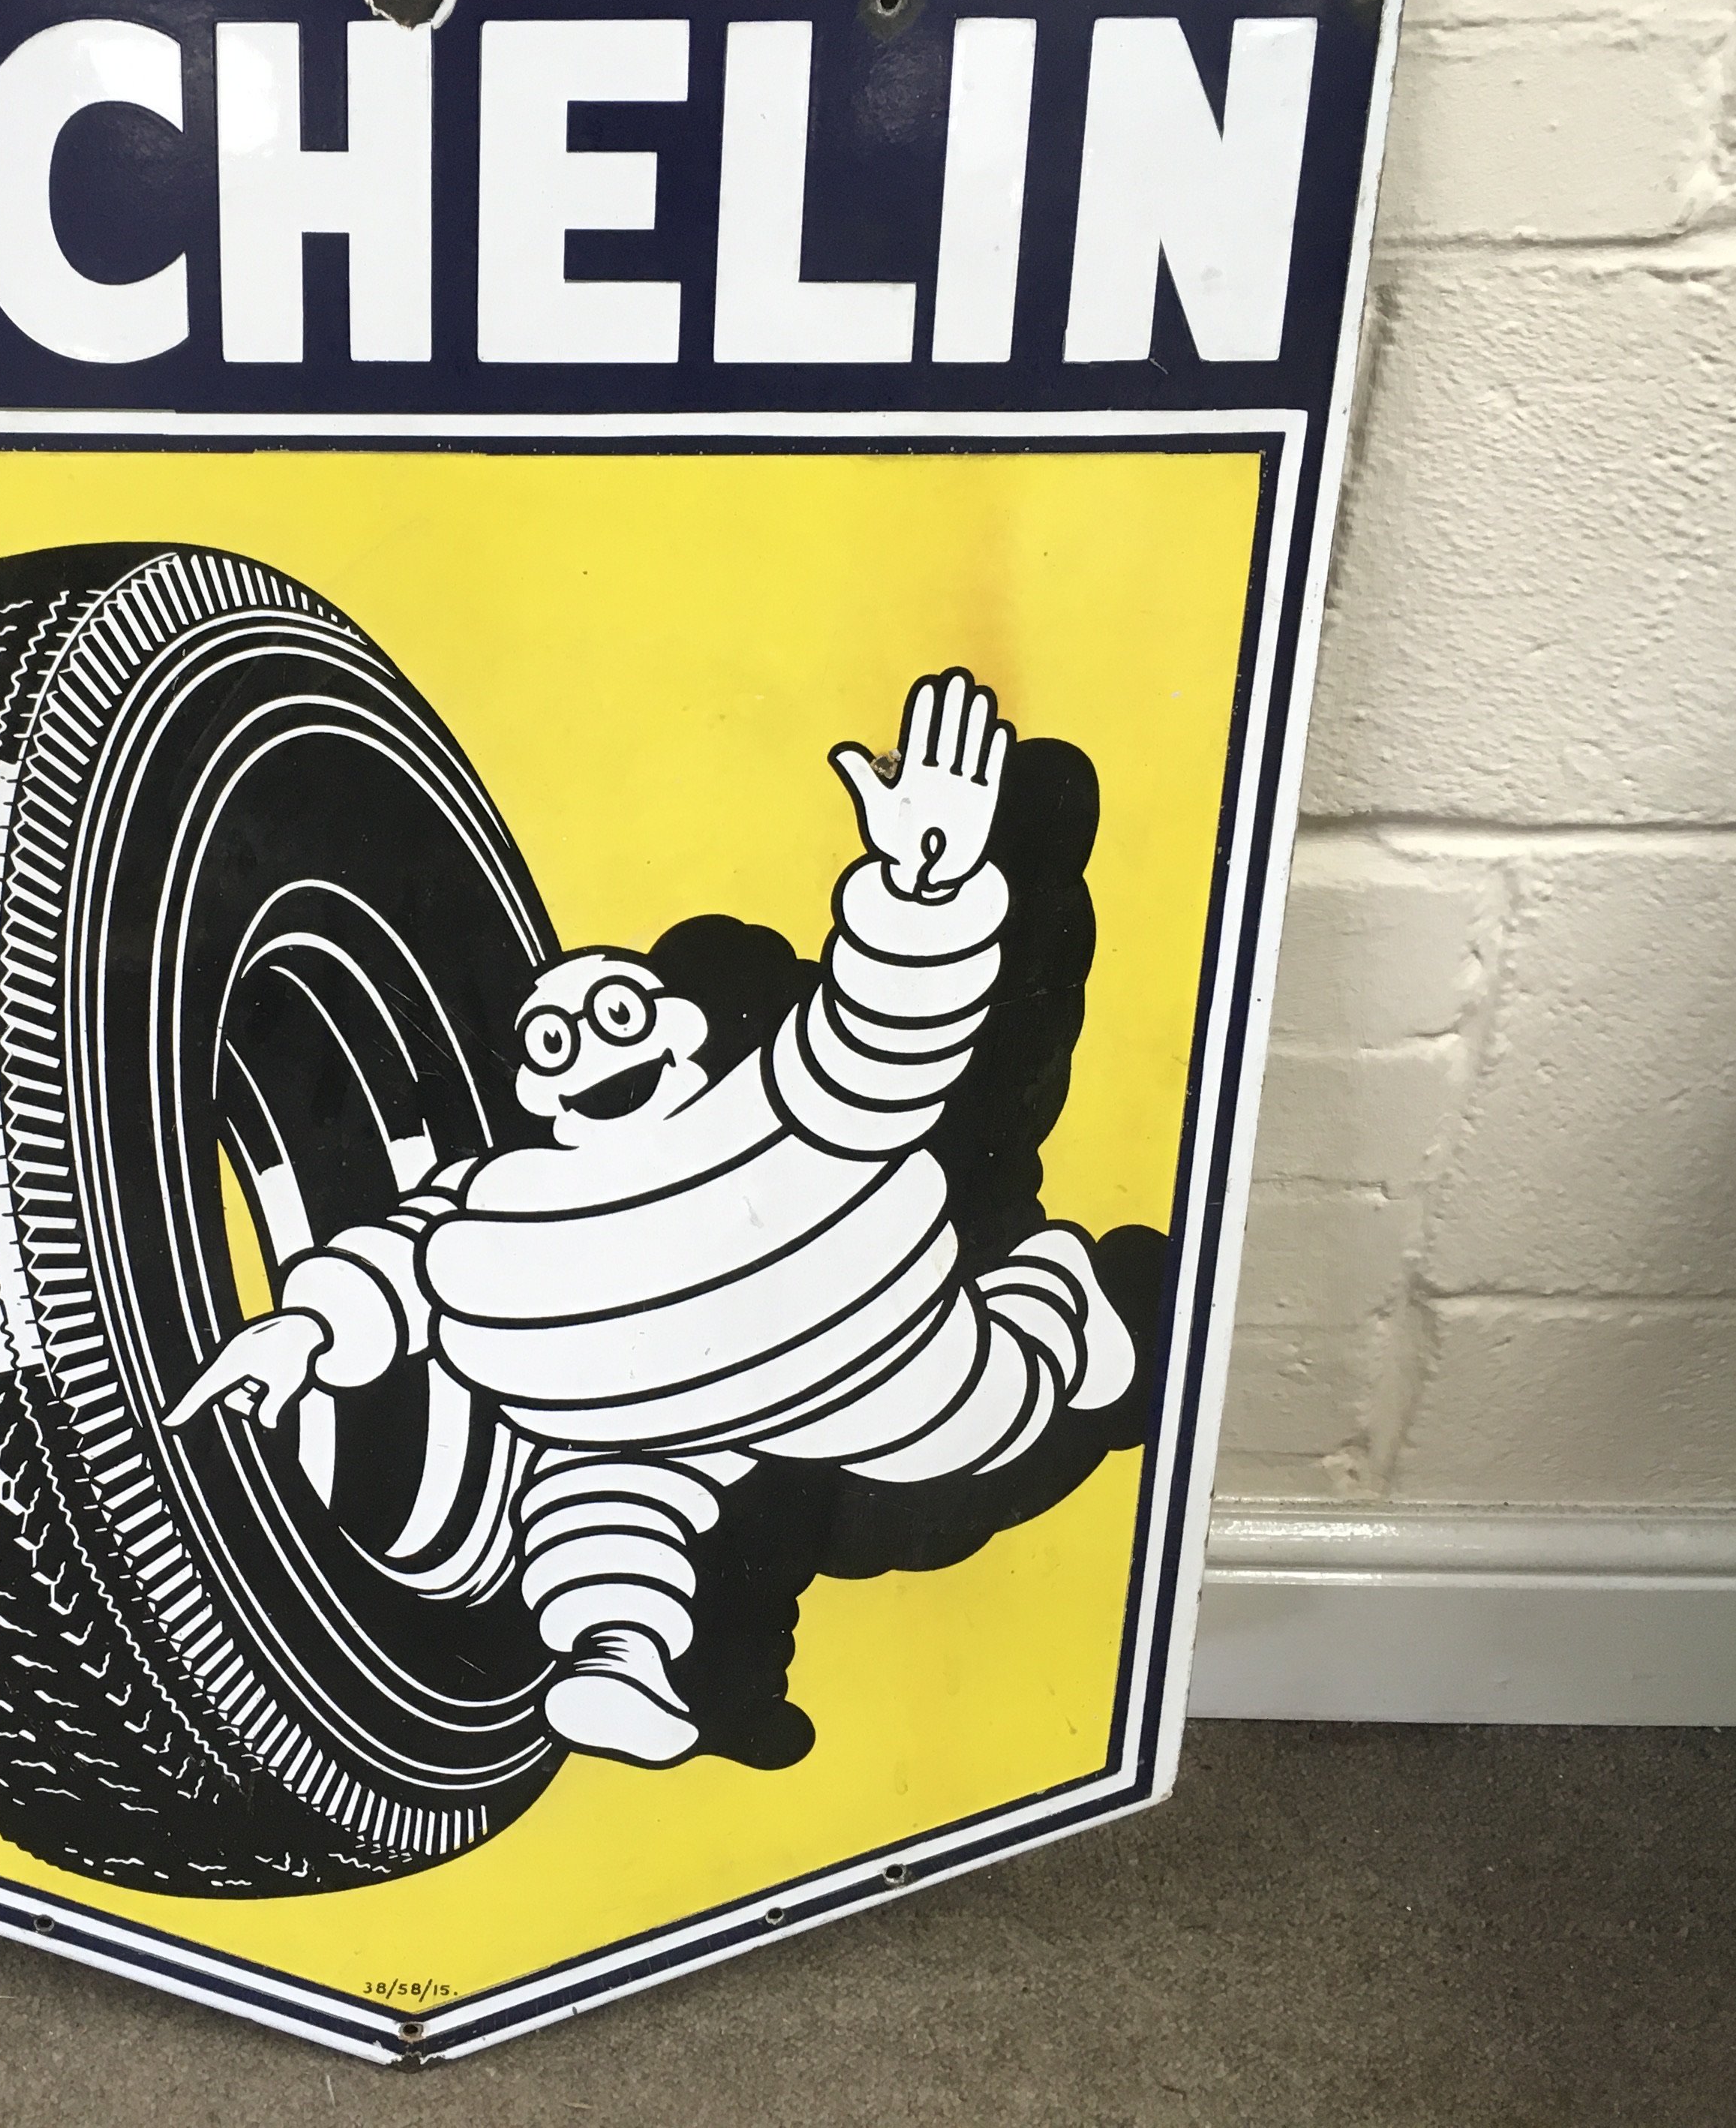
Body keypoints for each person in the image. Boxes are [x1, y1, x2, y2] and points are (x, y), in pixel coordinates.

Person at [169, 671, 1136, 1766]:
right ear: (534, 1091)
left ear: (679, 1033)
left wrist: (921, 889)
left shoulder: (781, 1109)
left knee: (990, 1404)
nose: (590, 1048)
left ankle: (1067, 1304)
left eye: (615, 1013)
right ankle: (620, 1661)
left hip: (870, 1363)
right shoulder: (510, 1203)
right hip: (646, 1418)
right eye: (554, 1041)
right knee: (593, 1508)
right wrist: (304, 1331)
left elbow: (882, 1031)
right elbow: (401, 1266)